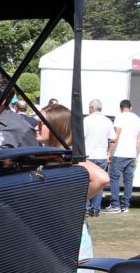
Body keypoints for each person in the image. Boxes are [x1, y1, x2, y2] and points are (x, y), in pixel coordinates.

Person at [36, 104, 109, 262]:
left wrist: (71, 201)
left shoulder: (66, 155)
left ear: (57, 126)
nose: (37, 127)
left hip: (69, 238)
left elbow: (102, 177)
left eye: (42, 123)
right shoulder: (47, 154)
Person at [105, 99, 140, 214]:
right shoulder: (138, 119)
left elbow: (116, 136)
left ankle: (115, 204)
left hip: (120, 153)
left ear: (120, 108)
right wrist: (137, 154)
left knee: (114, 178)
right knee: (128, 180)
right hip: (132, 154)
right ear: (130, 108)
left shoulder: (120, 117)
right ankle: (125, 205)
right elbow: (139, 139)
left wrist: (109, 152)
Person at [81, 99, 112, 216]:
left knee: (87, 182)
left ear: (91, 108)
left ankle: (86, 208)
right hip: (102, 155)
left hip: (88, 155)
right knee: (100, 182)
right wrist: (109, 152)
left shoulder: (86, 120)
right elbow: (112, 138)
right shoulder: (107, 121)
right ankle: (96, 208)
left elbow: (81, 137)